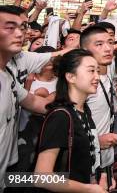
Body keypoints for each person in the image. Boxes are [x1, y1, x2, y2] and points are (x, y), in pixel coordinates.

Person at [33, 49, 111, 192]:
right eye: (91, 71)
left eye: (98, 71)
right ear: (70, 77)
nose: (97, 77)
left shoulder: (84, 111)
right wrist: (88, 189)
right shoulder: (61, 116)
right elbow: (42, 177)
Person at [0, 6, 54, 188]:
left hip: (7, 170)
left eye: (22, 27)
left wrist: (67, 93)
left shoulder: (8, 75)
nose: (19, 33)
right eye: (9, 27)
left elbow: (35, 103)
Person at [80, 25, 117, 184]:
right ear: (84, 49)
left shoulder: (105, 76)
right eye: (99, 44)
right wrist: (96, 141)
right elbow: (67, 131)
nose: (108, 48)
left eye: (110, 42)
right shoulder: (81, 84)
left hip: (103, 164)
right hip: (83, 168)